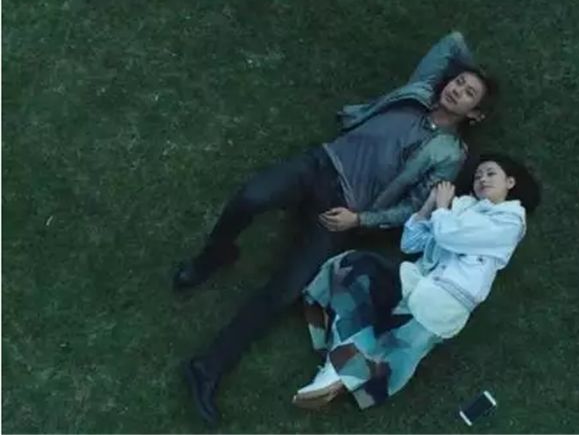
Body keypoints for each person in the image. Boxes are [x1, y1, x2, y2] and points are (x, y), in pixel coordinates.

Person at [178, 31, 498, 427]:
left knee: (284, 293)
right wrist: (476, 70)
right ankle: (216, 254)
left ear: (475, 114)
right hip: (320, 165)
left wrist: (359, 220)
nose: (457, 90)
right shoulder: (420, 90)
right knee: (249, 198)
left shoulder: (450, 154)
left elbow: (413, 207)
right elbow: (452, 42)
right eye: (458, 82)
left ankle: (206, 368)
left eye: (468, 94)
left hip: (344, 213)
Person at [289, 154, 540, 410]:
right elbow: (410, 243)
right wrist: (429, 205)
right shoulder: (462, 207)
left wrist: (442, 207)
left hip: (445, 301)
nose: (482, 179)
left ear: (510, 182)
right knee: (353, 268)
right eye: (477, 176)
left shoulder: (510, 221)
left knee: (392, 347)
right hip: (417, 280)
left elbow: (449, 235)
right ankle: (335, 368)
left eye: (490, 173)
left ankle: (336, 372)